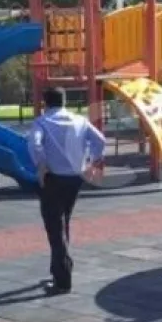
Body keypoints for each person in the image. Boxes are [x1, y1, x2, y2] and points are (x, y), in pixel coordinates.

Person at [28, 87, 106, 295]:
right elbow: (99, 140)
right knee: (64, 220)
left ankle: (63, 277)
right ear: (64, 101)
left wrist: (41, 165)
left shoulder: (42, 122)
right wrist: (91, 161)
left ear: (45, 103)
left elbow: (35, 144)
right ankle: (58, 267)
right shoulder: (80, 120)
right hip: (75, 177)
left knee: (54, 225)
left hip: (53, 177)